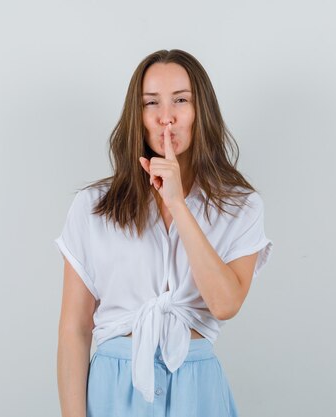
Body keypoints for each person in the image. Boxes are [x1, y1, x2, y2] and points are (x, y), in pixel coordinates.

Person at [54, 49, 273, 417]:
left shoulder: (241, 206)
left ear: (201, 111)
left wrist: (177, 204)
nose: (165, 117)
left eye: (181, 101)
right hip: (113, 389)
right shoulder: (92, 206)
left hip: (196, 389)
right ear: (137, 116)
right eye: (151, 102)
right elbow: (74, 329)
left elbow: (225, 304)